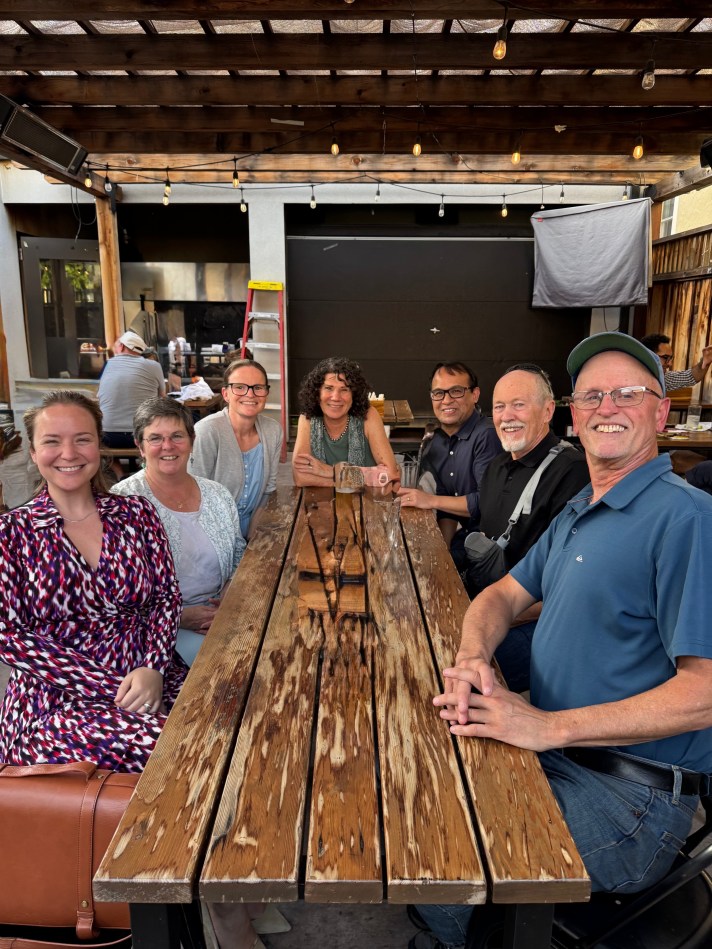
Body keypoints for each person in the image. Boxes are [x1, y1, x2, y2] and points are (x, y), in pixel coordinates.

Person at [413, 331, 712, 949]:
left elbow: (705, 692)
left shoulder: (687, 518)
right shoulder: (583, 506)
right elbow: (501, 596)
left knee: (436, 845)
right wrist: (472, 658)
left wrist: (549, 726)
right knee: (416, 770)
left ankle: (458, 934)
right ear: (574, 417)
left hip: (629, 800)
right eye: (592, 395)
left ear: (662, 412)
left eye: (628, 394)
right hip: (560, 758)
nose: (607, 407)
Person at [0, 390, 186, 771]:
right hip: (56, 700)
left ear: (98, 446)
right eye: (52, 441)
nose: (68, 453)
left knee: (228, 721)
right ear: (33, 452)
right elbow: (8, 637)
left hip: (150, 674)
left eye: (82, 439)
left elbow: (166, 596)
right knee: (179, 749)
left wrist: (154, 665)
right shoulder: (12, 533)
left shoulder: (136, 513)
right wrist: (112, 687)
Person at [449, 363, 589, 691]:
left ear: (548, 411)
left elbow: (567, 589)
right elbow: (478, 534)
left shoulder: (573, 472)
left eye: (519, 404)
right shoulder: (497, 466)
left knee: (451, 673)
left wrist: (481, 618)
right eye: (499, 407)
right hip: (491, 602)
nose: (506, 416)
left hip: (536, 619)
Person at [112, 398, 246, 667]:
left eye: (177, 436)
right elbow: (113, 594)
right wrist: (180, 616)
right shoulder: (121, 503)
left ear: (191, 440)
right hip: (154, 630)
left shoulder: (217, 494)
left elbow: (238, 556)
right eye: (155, 438)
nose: (168, 446)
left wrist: (226, 601)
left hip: (221, 613)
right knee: (233, 664)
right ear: (140, 446)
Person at [397, 361, 501, 547]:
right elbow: (447, 509)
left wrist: (430, 500)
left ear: (475, 394)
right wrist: (443, 552)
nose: (446, 400)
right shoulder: (437, 441)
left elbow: (486, 503)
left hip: (489, 546)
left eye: (456, 391)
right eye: (439, 393)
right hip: (461, 543)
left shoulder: (487, 435)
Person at [189, 358, 282, 538]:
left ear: (266, 393)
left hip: (254, 529)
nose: (250, 394)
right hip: (210, 534)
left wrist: (251, 541)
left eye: (258, 387)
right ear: (225, 394)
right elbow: (194, 497)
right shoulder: (207, 431)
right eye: (239, 387)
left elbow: (268, 492)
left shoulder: (273, 430)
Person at [292, 357, 399, 486]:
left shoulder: (368, 415)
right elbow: (300, 477)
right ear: (317, 392)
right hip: (321, 499)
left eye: (344, 390)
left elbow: (391, 473)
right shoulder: (307, 418)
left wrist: (329, 471)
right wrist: (367, 477)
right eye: (329, 388)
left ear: (354, 394)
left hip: (367, 498)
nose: (336, 397)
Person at [98, 331, 166, 448]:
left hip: (108, 436)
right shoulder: (154, 366)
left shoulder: (107, 365)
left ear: (121, 346)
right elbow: (162, 398)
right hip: (142, 435)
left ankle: (120, 463)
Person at [640, 332, 712, 392]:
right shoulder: (634, 376)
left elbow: (690, 377)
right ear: (648, 355)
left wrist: (705, 361)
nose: (670, 363)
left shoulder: (663, 378)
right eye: (665, 358)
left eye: (671, 358)